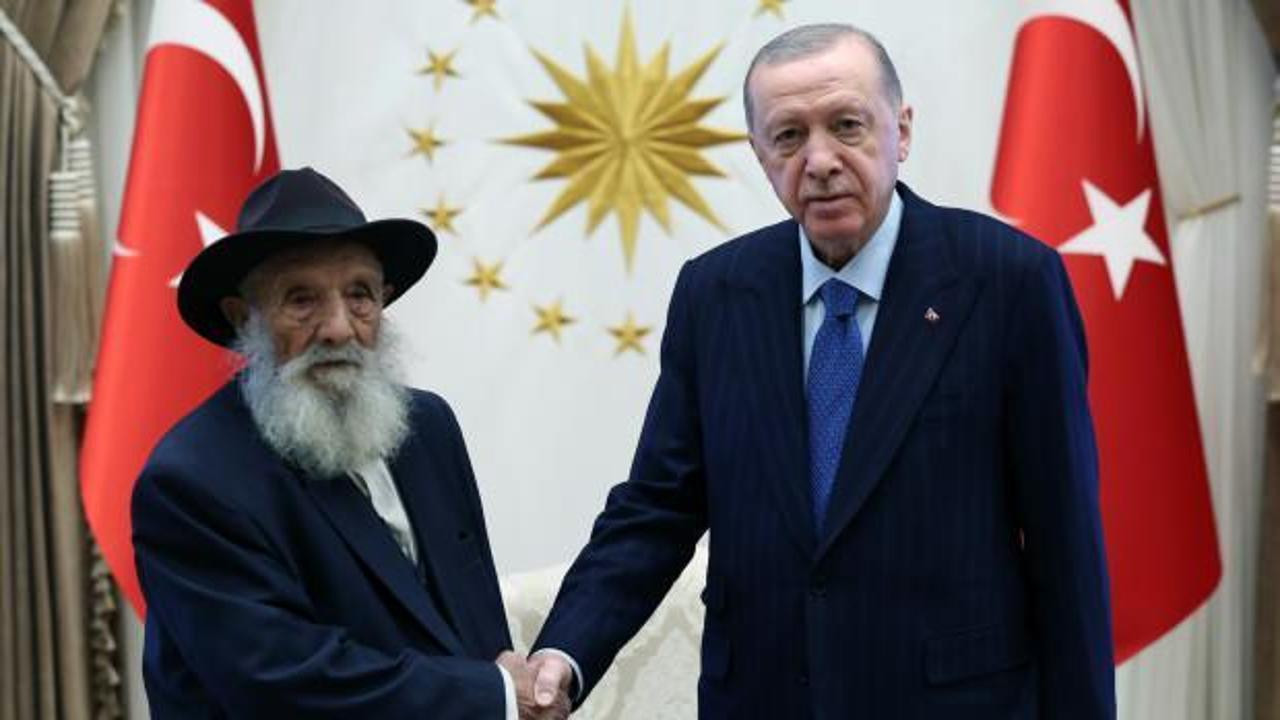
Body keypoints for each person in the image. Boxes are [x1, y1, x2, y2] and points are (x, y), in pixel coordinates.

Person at [528, 23, 1115, 719]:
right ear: (759, 154)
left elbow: (1064, 541)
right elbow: (658, 506)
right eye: (788, 137)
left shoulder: (1009, 281)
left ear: (901, 131)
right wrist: (563, 653)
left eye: (846, 126)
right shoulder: (716, 294)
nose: (820, 161)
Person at [131, 168, 568, 719]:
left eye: (359, 295)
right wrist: (495, 696)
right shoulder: (192, 481)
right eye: (302, 300)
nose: (338, 327)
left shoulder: (427, 428)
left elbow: (470, 626)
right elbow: (281, 684)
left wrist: (508, 691)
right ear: (245, 319)